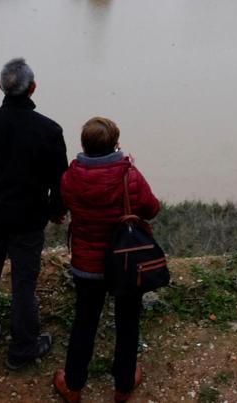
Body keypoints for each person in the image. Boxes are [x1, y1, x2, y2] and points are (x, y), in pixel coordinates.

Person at [0, 57, 68, 369]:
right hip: (29, 221)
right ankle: (22, 351)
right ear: (33, 88)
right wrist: (55, 211)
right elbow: (60, 180)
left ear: (0, 87)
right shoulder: (49, 130)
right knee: (23, 285)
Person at [53, 117, 160, 403]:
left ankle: (73, 386)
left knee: (84, 322)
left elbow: (66, 204)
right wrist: (129, 169)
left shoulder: (70, 177)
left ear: (84, 145)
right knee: (127, 323)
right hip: (125, 264)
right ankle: (123, 386)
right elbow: (152, 209)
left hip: (87, 265)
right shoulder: (129, 175)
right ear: (115, 144)